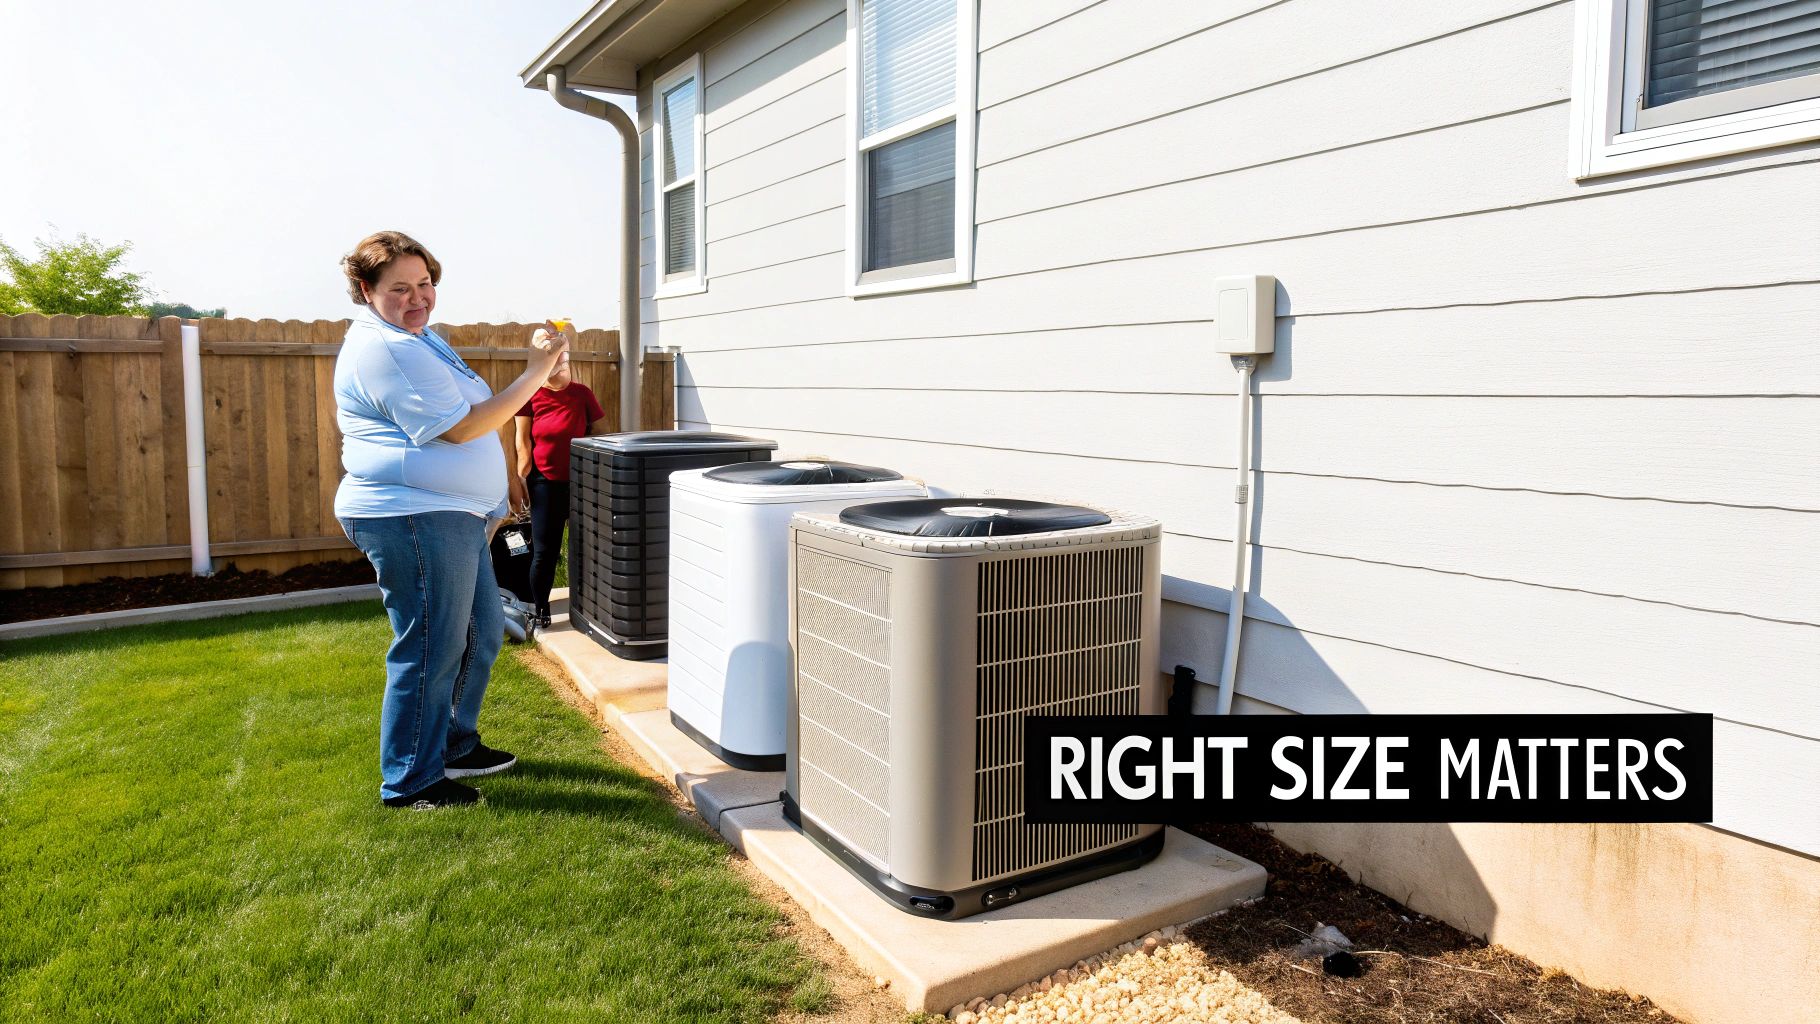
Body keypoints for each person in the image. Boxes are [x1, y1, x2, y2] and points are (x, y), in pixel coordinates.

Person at [331, 230, 572, 810]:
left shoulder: (418, 338)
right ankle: (411, 781)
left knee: (480, 633)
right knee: (430, 647)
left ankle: (454, 743)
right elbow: (460, 428)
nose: (418, 298)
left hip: (450, 515)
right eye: (400, 288)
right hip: (411, 515)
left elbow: (476, 414)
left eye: (426, 284)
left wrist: (545, 372)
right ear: (365, 290)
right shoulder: (384, 349)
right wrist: (535, 371)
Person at [514, 355, 608, 629]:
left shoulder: (582, 394)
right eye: (555, 361)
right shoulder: (530, 395)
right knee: (545, 552)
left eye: (564, 359)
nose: (562, 364)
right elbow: (522, 441)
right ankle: (540, 609)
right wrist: (522, 479)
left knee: (587, 549)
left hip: (582, 484)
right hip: (544, 483)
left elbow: (602, 434)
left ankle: (590, 607)